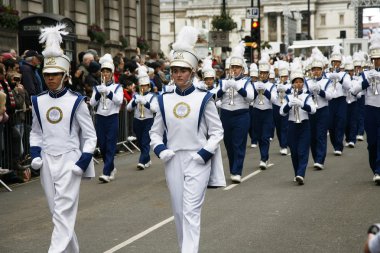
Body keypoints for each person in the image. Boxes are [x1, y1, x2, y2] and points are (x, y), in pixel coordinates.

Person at [149, 26, 224, 253]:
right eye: (174, 70)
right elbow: (154, 132)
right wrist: (161, 149)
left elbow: (217, 131)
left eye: (183, 70)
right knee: (179, 212)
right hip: (173, 159)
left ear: (192, 71)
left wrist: (204, 153)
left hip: (197, 158)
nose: (178, 74)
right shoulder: (164, 99)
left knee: (191, 210)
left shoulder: (204, 98)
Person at [29, 24, 97, 253]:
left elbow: (89, 136)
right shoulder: (37, 101)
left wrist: (82, 162)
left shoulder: (77, 101)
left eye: (55, 74)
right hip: (47, 161)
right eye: (47, 74)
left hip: (70, 160)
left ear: (65, 75)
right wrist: (36, 155)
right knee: (57, 213)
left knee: (63, 213)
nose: (50, 79)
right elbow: (36, 132)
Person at [216, 41, 254, 183]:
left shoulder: (246, 82)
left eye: (237, 67)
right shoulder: (222, 82)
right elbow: (215, 97)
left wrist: (238, 87)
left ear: (242, 69)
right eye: (233, 67)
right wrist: (224, 88)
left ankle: (237, 171)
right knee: (229, 144)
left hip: (241, 115)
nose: (235, 70)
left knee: (238, 143)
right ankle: (233, 168)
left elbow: (251, 98)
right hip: (226, 115)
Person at [350, 32, 380, 184]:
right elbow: (354, 91)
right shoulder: (366, 74)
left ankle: (379, 170)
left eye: (379, 59)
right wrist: (366, 82)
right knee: (372, 143)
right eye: (375, 59)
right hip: (370, 110)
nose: (377, 62)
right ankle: (375, 168)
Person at [280, 59, 316, 185]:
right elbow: (282, 112)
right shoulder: (287, 96)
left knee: (303, 151)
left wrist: (302, 104)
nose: (298, 84)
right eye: (296, 82)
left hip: (304, 125)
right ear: (292, 83)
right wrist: (289, 104)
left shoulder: (307, 96)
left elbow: (313, 110)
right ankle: (297, 173)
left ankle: (301, 173)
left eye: (301, 82)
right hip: (292, 126)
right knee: (294, 152)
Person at [89, 53, 123, 183]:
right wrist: (98, 92)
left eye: (107, 72)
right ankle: (111, 168)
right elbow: (92, 103)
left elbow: (119, 101)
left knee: (110, 145)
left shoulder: (117, 87)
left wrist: (108, 92)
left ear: (111, 73)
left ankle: (105, 172)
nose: (105, 74)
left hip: (112, 117)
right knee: (102, 145)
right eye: (103, 71)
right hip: (100, 118)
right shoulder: (97, 87)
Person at [305, 49, 334, 170]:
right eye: (314, 69)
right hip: (311, 111)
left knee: (321, 135)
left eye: (318, 69)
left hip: (322, 110)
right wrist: (309, 91)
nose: (316, 72)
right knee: (311, 136)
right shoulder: (306, 82)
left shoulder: (327, 81)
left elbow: (330, 96)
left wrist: (320, 91)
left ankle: (320, 160)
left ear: (322, 70)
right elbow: (304, 96)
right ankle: (316, 157)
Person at [127, 67, 158, 169]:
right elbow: (128, 108)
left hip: (148, 120)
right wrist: (134, 101)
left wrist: (146, 103)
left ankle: (141, 162)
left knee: (145, 141)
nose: (143, 88)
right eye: (141, 86)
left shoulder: (153, 96)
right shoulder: (135, 96)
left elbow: (155, 109)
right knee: (140, 142)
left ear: (148, 86)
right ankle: (147, 159)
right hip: (137, 120)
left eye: (145, 86)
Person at [252, 52, 278, 169]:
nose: (263, 75)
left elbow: (274, 100)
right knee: (258, 136)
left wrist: (265, 91)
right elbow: (249, 99)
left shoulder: (272, 86)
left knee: (265, 136)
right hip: (256, 111)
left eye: (265, 73)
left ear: (268, 74)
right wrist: (255, 91)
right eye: (261, 73)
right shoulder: (253, 84)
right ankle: (264, 156)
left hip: (267, 112)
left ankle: (263, 158)